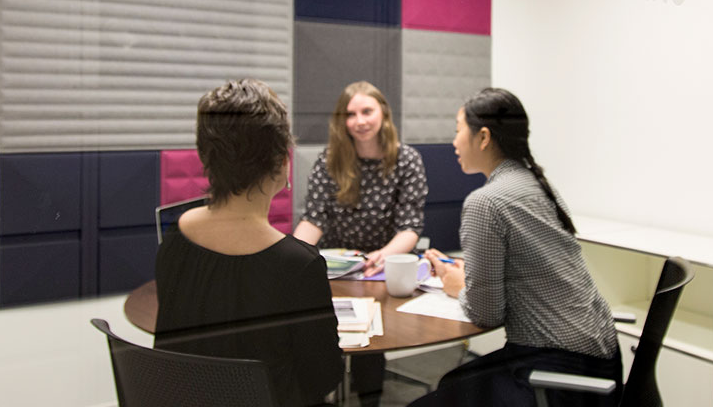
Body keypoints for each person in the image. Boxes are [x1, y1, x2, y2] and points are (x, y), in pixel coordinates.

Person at [413, 88, 623, 407]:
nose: (454, 142)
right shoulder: (537, 184)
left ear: (483, 137)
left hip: (557, 370)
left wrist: (458, 286)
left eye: (458, 131)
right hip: (601, 358)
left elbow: (486, 312)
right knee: (453, 382)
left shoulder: (486, 202)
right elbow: (533, 270)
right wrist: (472, 275)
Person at [154, 79, 342, 407]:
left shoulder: (175, 237)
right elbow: (324, 377)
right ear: (283, 161)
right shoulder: (299, 265)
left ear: (205, 157)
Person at [293, 80, 429, 406]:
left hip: (382, 268)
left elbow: (410, 228)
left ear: (383, 112)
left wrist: (382, 255)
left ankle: (371, 399)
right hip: (339, 270)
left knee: (373, 343)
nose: (360, 121)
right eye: (350, 114)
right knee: (324, 340)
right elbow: (314, 218)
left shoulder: (407, 160)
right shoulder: (331, 159)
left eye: (367, 111)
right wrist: (289, 258)